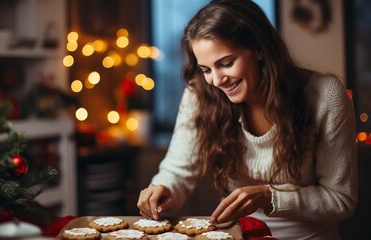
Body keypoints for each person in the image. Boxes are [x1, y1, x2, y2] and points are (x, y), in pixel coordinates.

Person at [136, 0, 358, 239]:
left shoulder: (326, 95)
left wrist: (269, 196)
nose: (217, 81)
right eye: (206, 69)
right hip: (233, 234)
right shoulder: (201, 93)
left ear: (259, 49)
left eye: (227, 63)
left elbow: (340, 199)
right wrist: (164, 187)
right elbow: (179, 169)